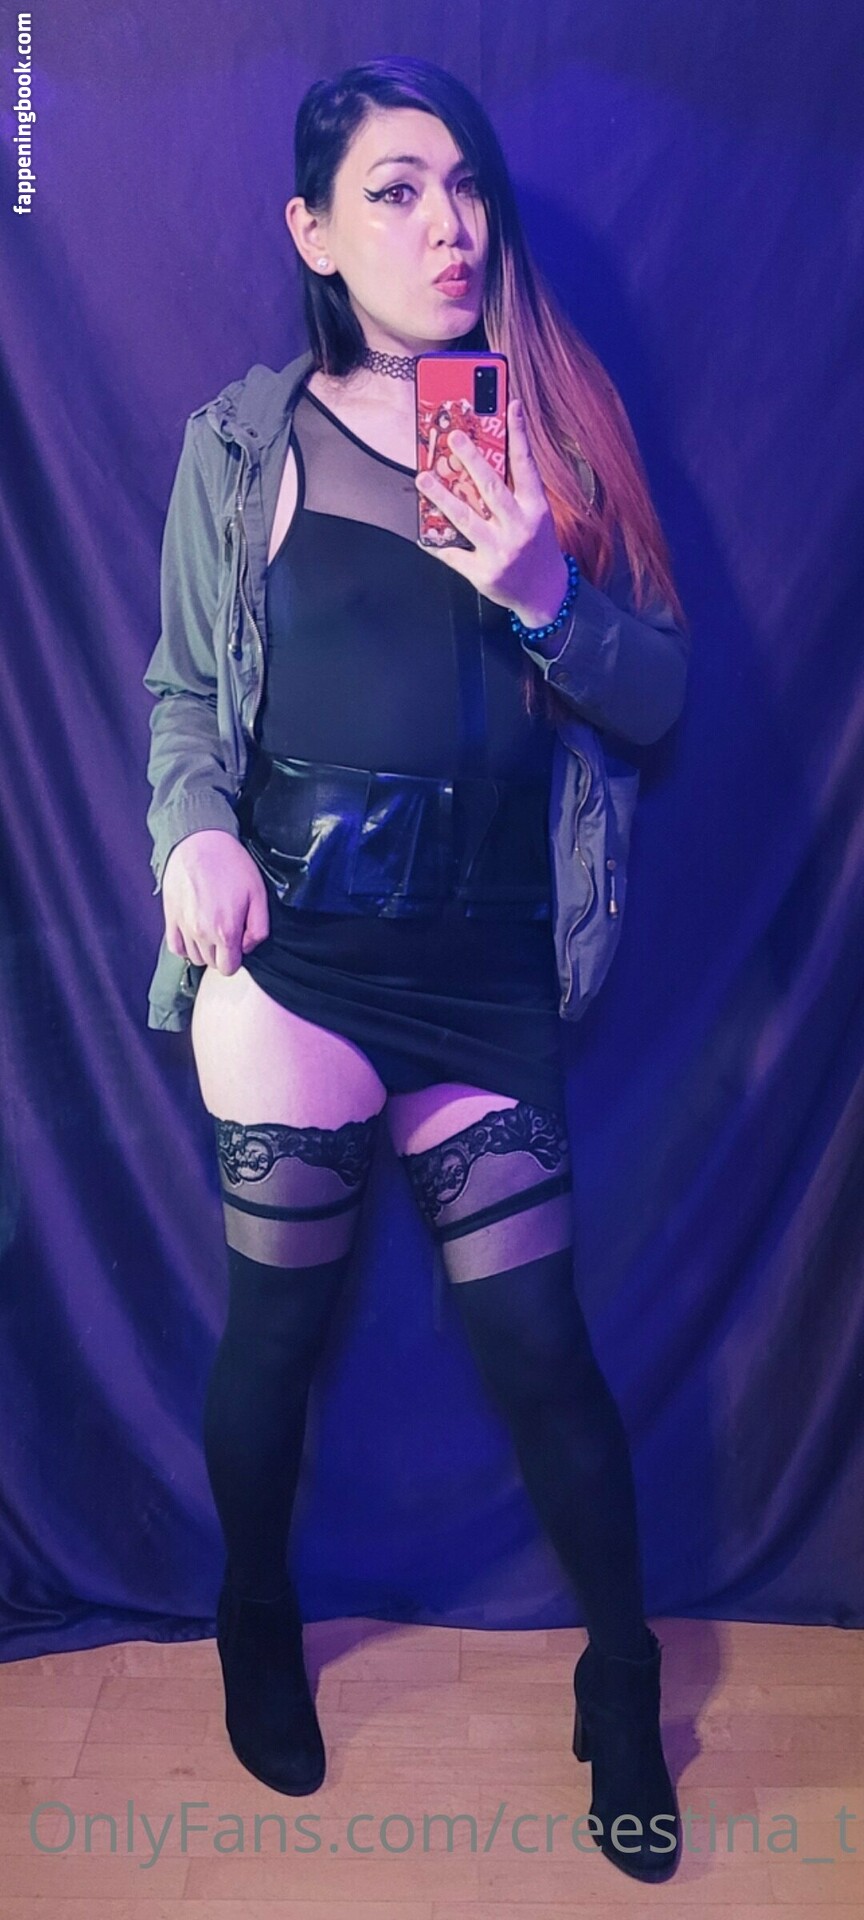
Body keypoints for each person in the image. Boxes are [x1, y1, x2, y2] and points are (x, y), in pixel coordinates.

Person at [142, 56, 690, 1885]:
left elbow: (659, 699)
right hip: (295, 954)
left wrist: (542, 587)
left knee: (539, 1346)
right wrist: (192, 836)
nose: (447, 223)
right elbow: (185, 697)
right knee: (277, 1334)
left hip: (483, 963)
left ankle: (622, 1681)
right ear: (311, 231)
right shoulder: (246, 442)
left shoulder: (552, 428)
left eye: (462, 184)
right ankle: (252, 1608)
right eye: (393, 189)